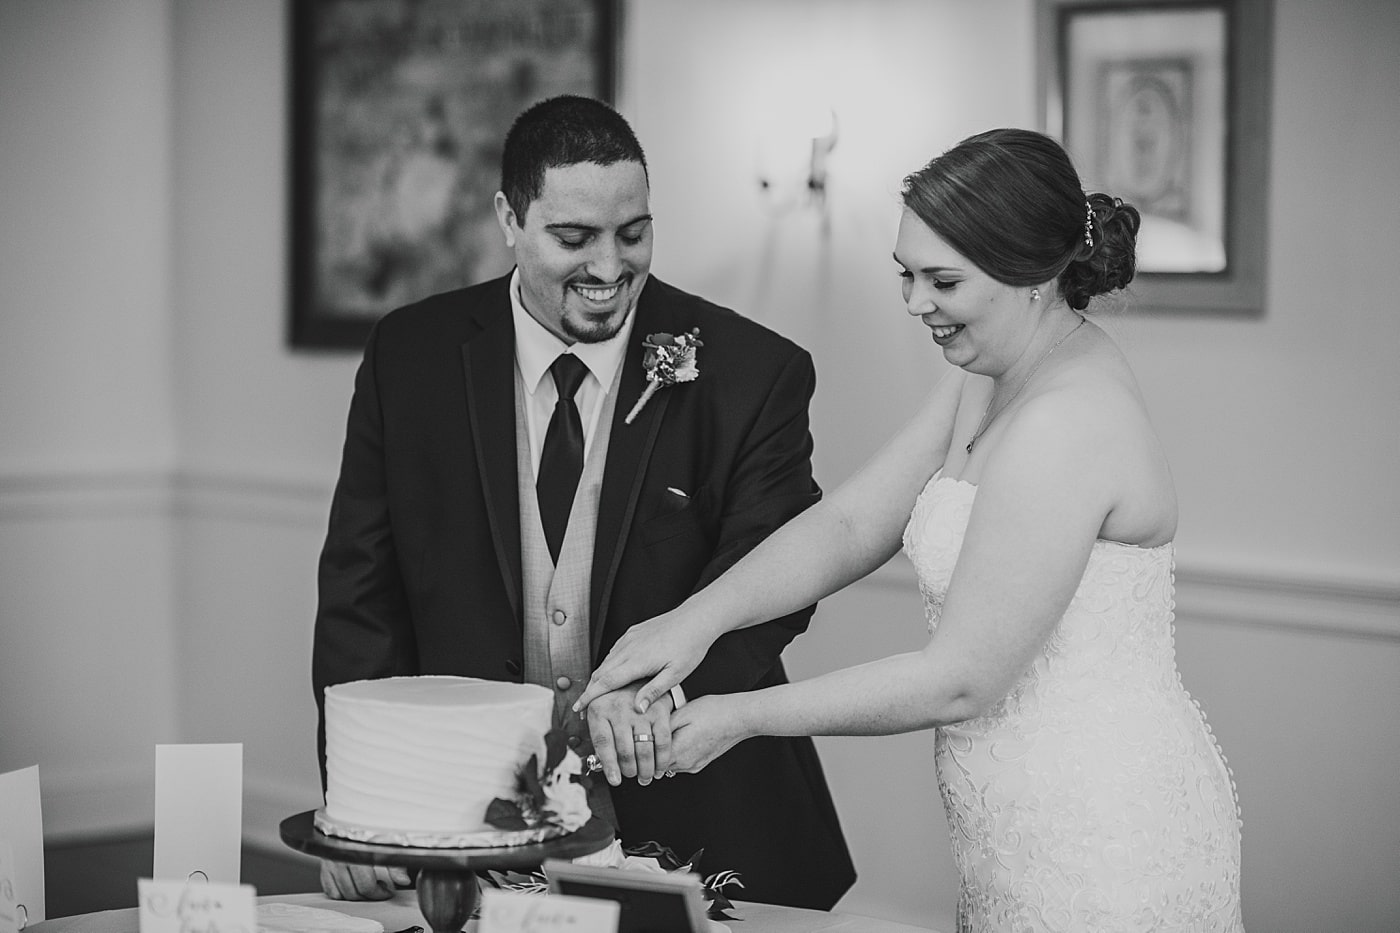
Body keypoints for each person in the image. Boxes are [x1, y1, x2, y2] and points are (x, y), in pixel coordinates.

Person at [577, 128, 1244, 930]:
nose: (915, 303)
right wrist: (694, 621)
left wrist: (737, 715)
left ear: (1030, 276)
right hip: (1014, 829)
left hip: (1104, 838)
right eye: (907, 274)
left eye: (943, 280)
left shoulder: (1066, 424)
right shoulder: (990, 379)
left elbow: (960, 676)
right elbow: (855, 522)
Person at [311, 95, 855, 909]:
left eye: (632, 232)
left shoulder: (753, 372)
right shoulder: (410, 357)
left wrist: (659, 696)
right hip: (471, 829)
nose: (608, 267)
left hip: (707, 825)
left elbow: (777, 578)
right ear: (508, 217)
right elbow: (362, 599)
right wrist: (359, 803)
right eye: (574, 238)